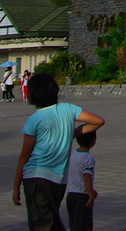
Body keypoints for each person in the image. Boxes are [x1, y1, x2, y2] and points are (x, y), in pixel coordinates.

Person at [13, 72, 104, 231]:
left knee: (42, 224)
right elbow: (98, 121)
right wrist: (74, 133)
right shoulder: (69, 109)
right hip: (59, 181)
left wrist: (16, 187)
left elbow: (24, 156)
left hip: (36, 177)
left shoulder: (34, 119)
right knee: (51, 221)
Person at [66, 129, 98, 231]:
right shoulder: (88, 158)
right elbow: (86, 176)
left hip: (71, 194)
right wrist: (91, 195)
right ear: (94, 141)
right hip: (82, 196)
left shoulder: (74, 154)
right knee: (83, 225)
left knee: (74, 224)